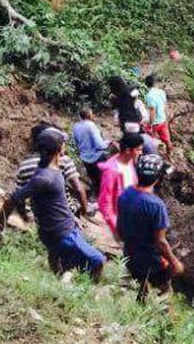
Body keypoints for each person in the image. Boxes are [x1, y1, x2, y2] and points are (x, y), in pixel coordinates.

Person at [0, 128, 105, 281]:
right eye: (63, 143)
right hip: (61, 233)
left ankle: (60, 280)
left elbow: (56, 200)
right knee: (98, 260)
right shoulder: (44, 177)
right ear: (59, 149)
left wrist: (72, 218)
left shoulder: (51, 170)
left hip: (63, 227)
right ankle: (88, 290)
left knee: (61, 261)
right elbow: (13, 199)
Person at [117, 154, 184, 301]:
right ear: (158, 178)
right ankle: (164, 319)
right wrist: (174, 262)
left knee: (141, 285)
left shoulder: (125, 194)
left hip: (130, 254)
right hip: (152, 262)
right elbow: (161, 242)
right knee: (164, 291)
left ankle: (141, 305)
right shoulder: (156, 205)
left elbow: (120, 230)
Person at [16, 123, 90, 218]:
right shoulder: (63, 161)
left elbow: (19, 197)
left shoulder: (25, 165)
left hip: (39, 216)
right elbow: (79, 189)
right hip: (65, 214)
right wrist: (84, 210)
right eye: (62, 142)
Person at [98, 134, 143, 236]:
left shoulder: (130, 161)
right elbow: (104, 203)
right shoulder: (111, 171)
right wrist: (117, 227)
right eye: (139, 150)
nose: (141, 153)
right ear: (128, 150)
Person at [72, 108, 113, 199]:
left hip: (85, 157)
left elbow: (76, 143)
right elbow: (99, 145)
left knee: (93, 178)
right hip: (96, 156)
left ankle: (95, 195)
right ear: (89, 115)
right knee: (103, 178)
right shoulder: (91, 125)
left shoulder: (75, 126)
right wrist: (107, 143)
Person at [144, 75, 172, 159]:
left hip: (155, 123)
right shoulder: (161, 92)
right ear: (155, 83)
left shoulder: (149, 96)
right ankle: (169, 156)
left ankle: (152, 156)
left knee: (149, 141)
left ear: (146, 85)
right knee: (167, 141)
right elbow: (165, 105)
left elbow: (152, 111)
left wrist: (150, 124)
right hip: (163, 120)